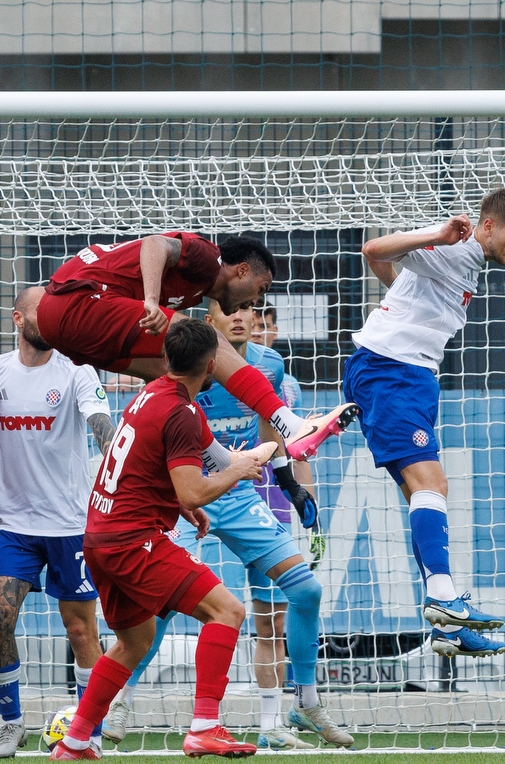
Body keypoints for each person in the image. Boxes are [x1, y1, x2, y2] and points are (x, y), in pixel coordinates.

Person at [101, 300, 344, 750]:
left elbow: (270, 432)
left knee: (306, 591)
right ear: (209, 323)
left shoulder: (270, 365)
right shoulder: (180, 371)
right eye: (228, 309)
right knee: (162, 607)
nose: (241, 316)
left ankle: (304, 703)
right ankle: (122, 700)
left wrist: (290, 484)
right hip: (186, 494)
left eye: (248, 308)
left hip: (238, 493)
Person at [49, 319, 291, 760]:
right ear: (213, 365)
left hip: (100, 537)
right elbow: (197, 487)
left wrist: (186, 502)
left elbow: (177, 468)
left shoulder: (153, 394)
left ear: (165, 359)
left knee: (134, 642)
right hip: (132, 540)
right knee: (228, 611)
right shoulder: (182, 413)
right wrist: (235, 473)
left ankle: (75, 742)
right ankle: (204, 727)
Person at [348, 187, 505, 657]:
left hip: (403, 373)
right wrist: (437, 233)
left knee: (422, 495)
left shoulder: (467, 262)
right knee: (432, 485)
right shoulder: (454, 246)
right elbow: (373, 250)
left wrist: (398, 294)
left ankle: (447, 625)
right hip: (392, 370)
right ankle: (443, 600)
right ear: (488, 226)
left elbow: (392, 273)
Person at [0, 287, 115, 758]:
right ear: (17, 318)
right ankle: (11, 725)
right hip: (15, 527)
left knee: (80, 631)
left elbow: (101, 424)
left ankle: (88, 730)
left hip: (70, 525)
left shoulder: (77, 371)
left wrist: (116, 455)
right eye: (43, 312)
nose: (54, 319)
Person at [27, 232, 353, 461]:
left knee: (173, 376)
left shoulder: (196, 290)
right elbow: (154, 244)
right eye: (261, 288)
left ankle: (216, 460)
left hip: (56, 324)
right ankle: (292, 425)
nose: (255, 301)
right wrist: (151, 301)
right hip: (77, 302)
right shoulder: (208, 258)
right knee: (206, 341)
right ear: (242, 270)